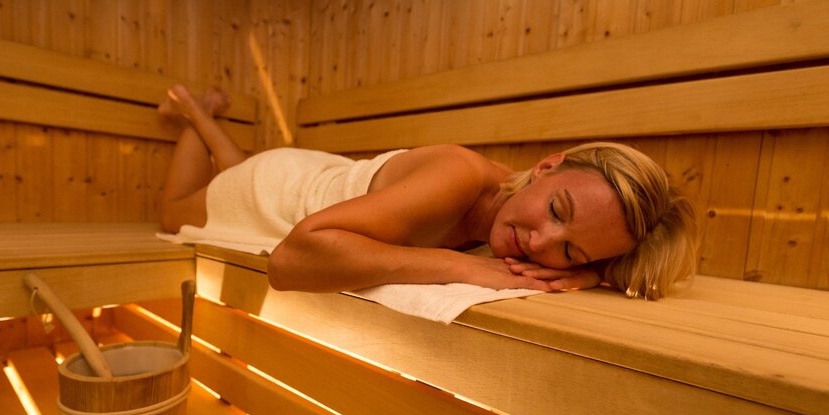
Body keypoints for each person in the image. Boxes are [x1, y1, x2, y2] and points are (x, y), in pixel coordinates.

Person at [158, 85, 697, 299]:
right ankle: (193, 111)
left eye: (570, 250)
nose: (540, 243)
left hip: (321, 171)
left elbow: (608, 250)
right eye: (557, 210)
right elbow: (289, 262)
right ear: (547, 166)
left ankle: (202, 114)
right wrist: (458, 266)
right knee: (173, 211)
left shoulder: (552, 225)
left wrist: (590, 273)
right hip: (277, 191)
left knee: (232, 167)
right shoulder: (458, 175)